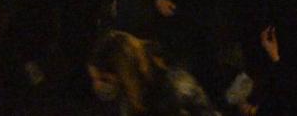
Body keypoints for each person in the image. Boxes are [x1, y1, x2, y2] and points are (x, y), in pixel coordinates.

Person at [85, 29, 218, 116]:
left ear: (124, 74)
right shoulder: (131, 91)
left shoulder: (172, 91)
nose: (98, 86)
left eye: (104, 79)